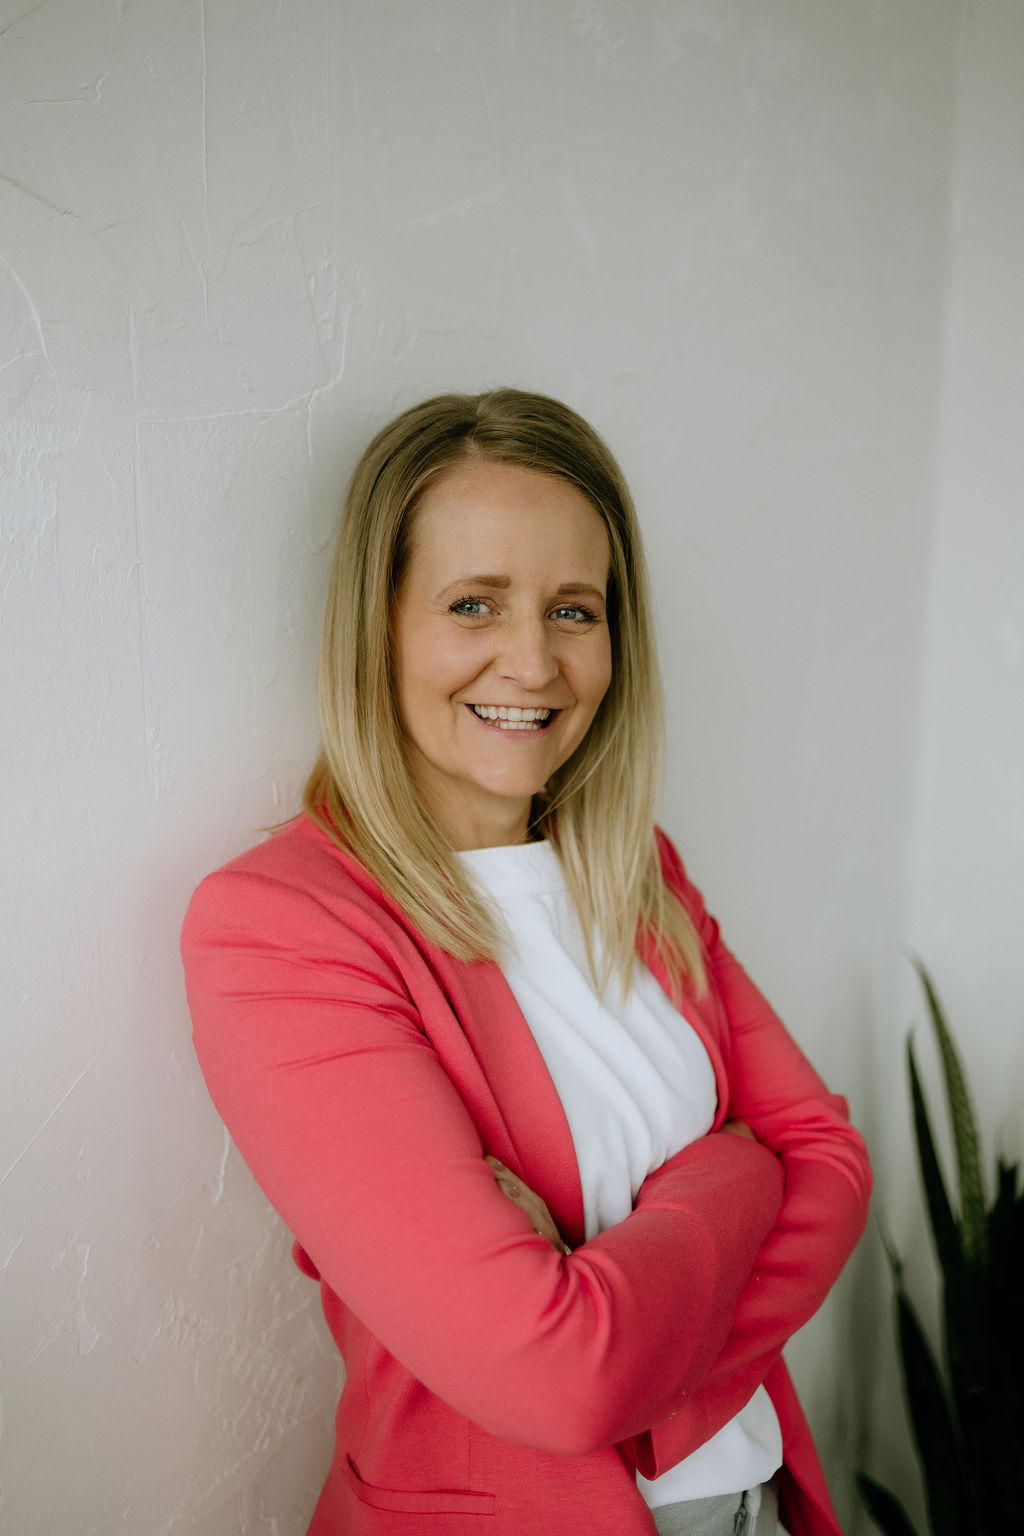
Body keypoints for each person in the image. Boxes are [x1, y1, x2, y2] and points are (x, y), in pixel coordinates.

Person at [181, 389, 871, 1536]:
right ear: (381, 622)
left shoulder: (633, 870)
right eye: (472, 603)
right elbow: (556, 1379)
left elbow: (833, 1159)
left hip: (751, 1501)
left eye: (572, 610)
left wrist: (622, 1310)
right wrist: (739, 1173)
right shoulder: (282, 928)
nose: (534, 660)